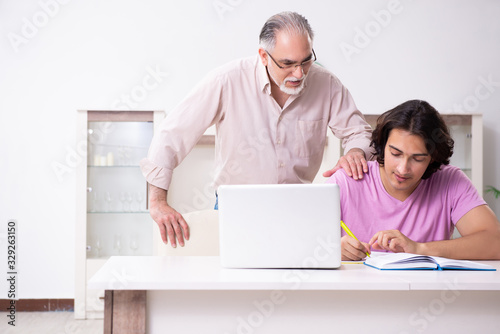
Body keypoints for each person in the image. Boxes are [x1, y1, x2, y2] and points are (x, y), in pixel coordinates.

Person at [141, 11, 373, 248]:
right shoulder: (227, 81)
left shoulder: (326, 83)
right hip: (236, 210)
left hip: (299, 211)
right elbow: (172, 133)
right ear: (263, 56)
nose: (299, 73)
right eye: (288, 64)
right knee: (238, 283)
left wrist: (356, 151)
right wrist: (158, 201)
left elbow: (360, 134)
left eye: (306, 60)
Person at [327, 99, 500, 261]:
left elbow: (494, 242)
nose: (403, 169)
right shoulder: (346, 180)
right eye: (395, 154)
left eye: (417, 158)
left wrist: (419, 249)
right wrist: (332, 249)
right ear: (383, 145)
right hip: (356, 292)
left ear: (433, 157)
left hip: (425, 292)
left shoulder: (450, 181)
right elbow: (302, 240)